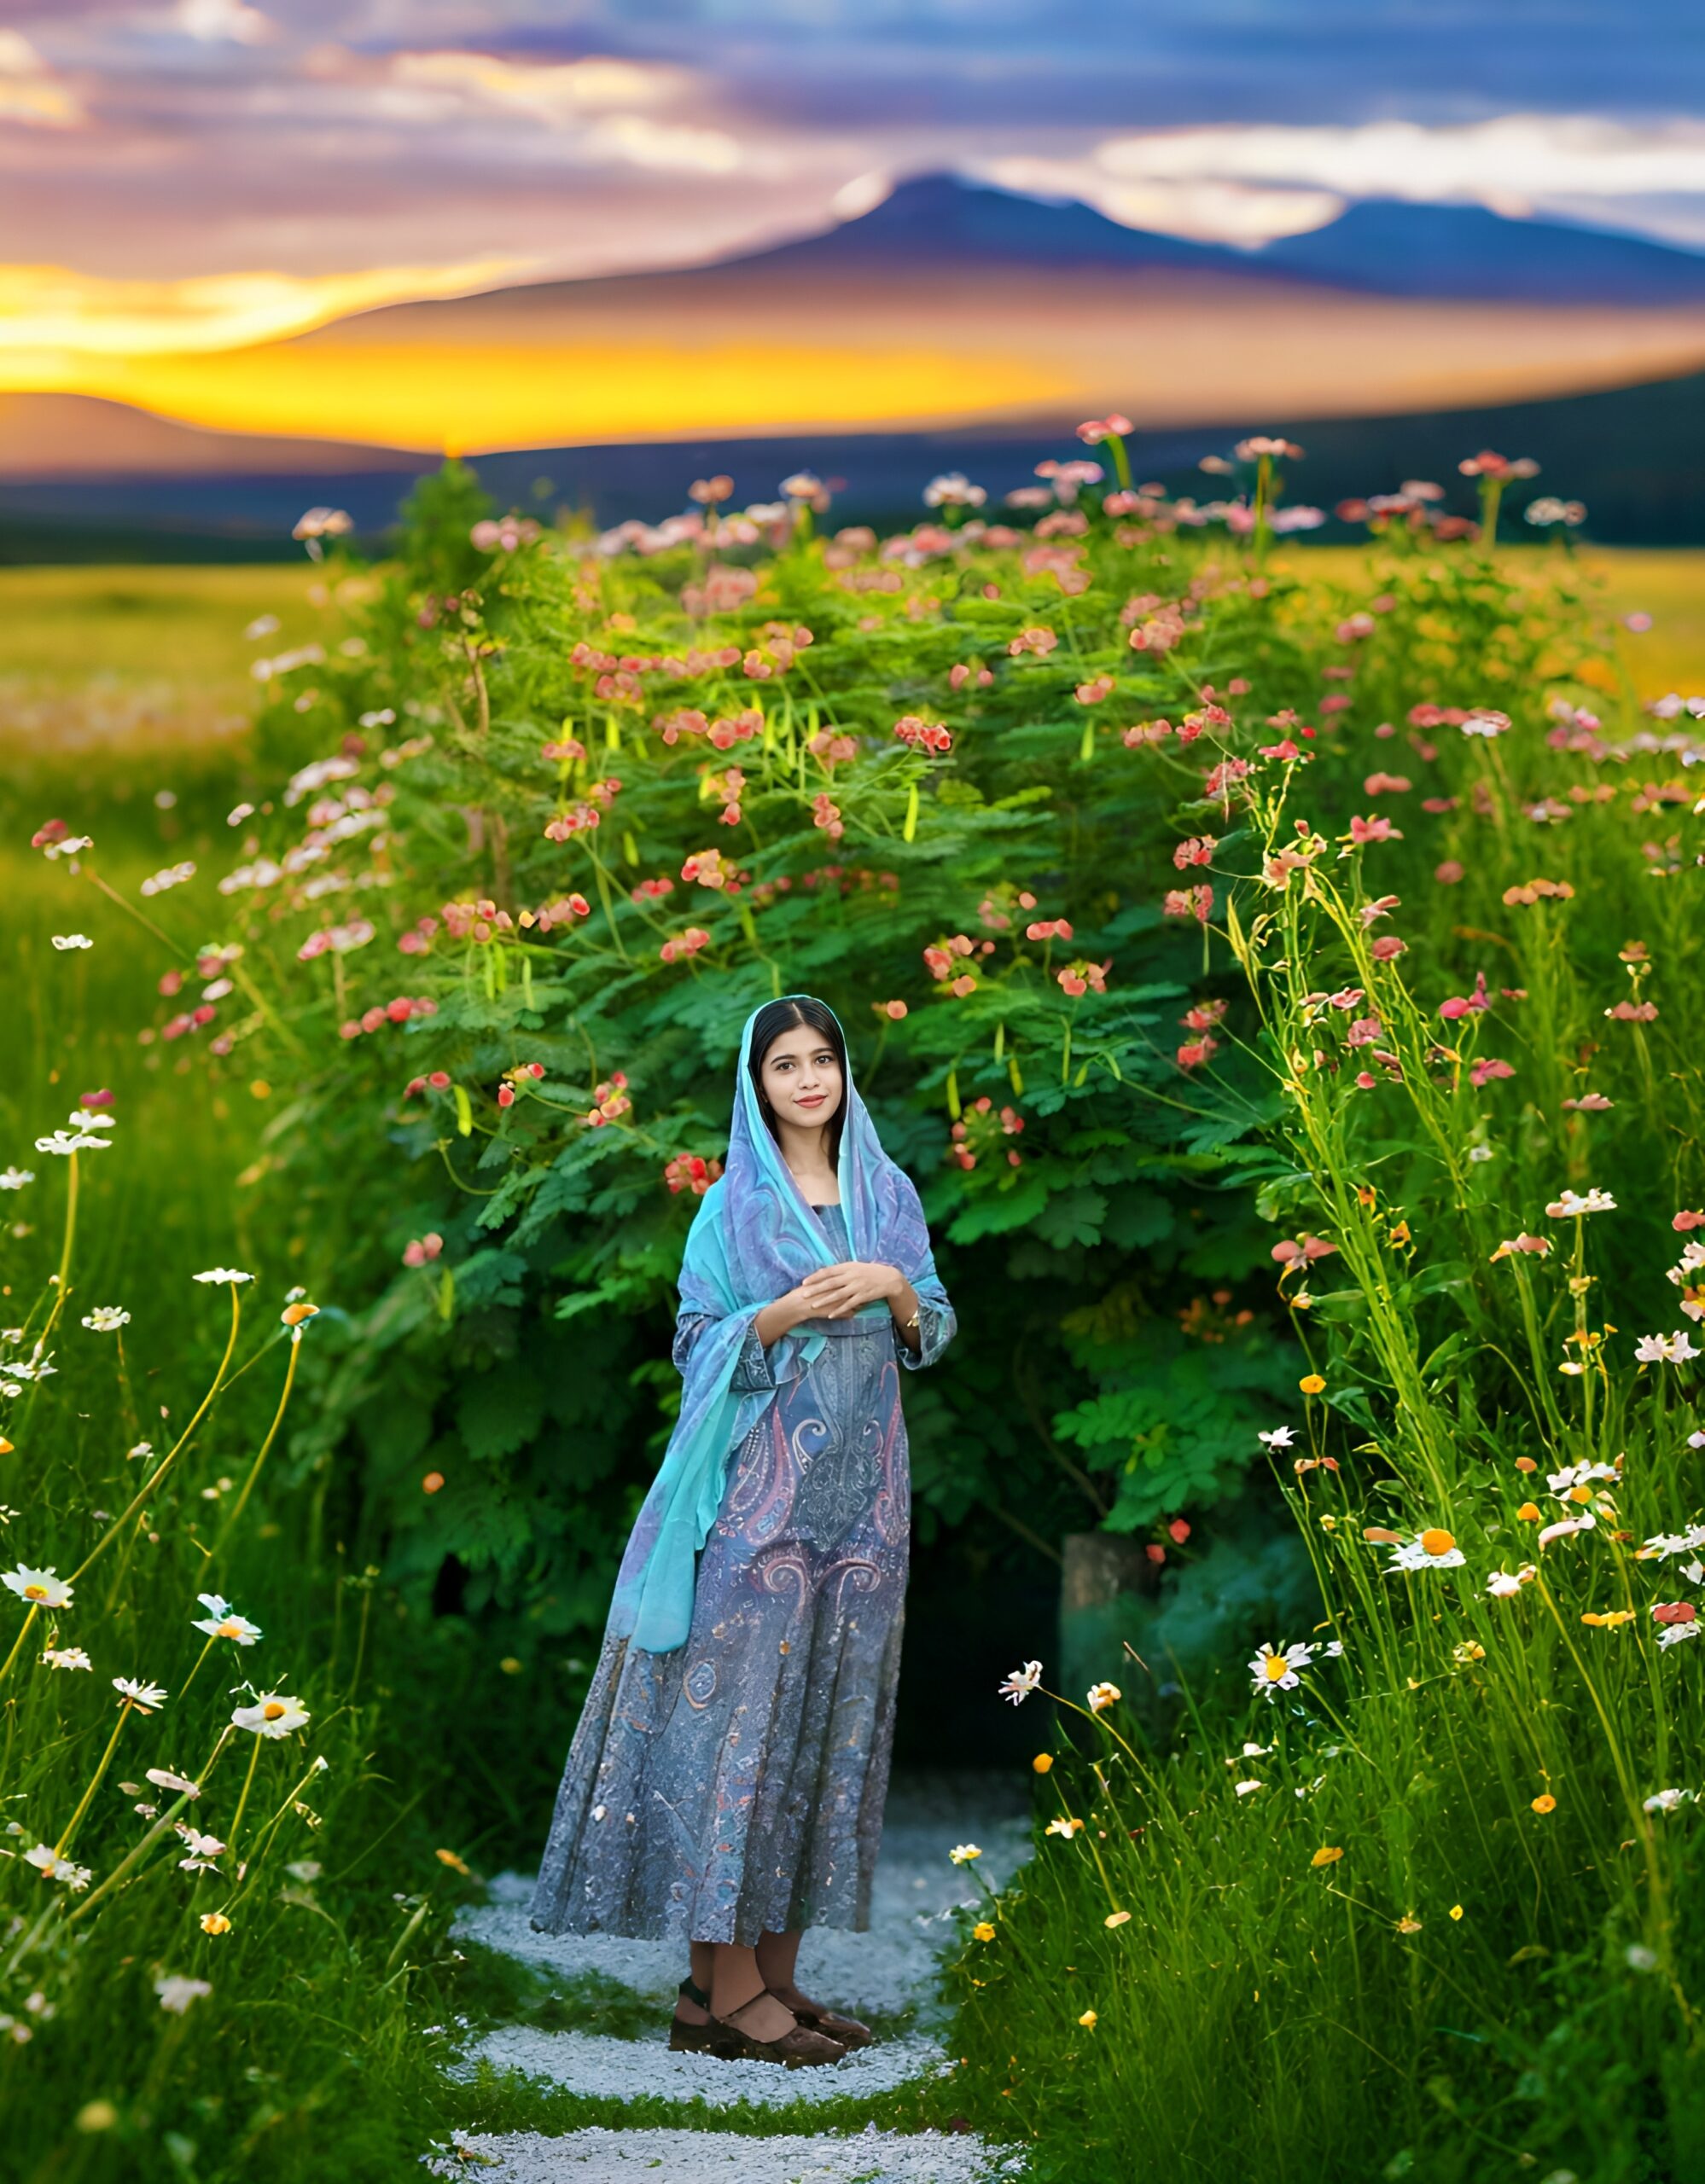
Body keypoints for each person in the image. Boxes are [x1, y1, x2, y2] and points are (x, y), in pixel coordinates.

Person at [529, 994, 956, 2066]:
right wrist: (776, 1316)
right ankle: (719, 1999)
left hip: (863, 1513)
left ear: (844, 1072)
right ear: (756, 1086)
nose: (809, 1079)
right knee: (737, 1735)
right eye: (785, 1065)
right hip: (755, 1510)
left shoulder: (887, 1193)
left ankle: (773, 1979)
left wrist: (896, 1284)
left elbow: (934, 1330)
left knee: (821, 1727)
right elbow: (691, 1344)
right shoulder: (732, 1210)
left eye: (824, 1060)